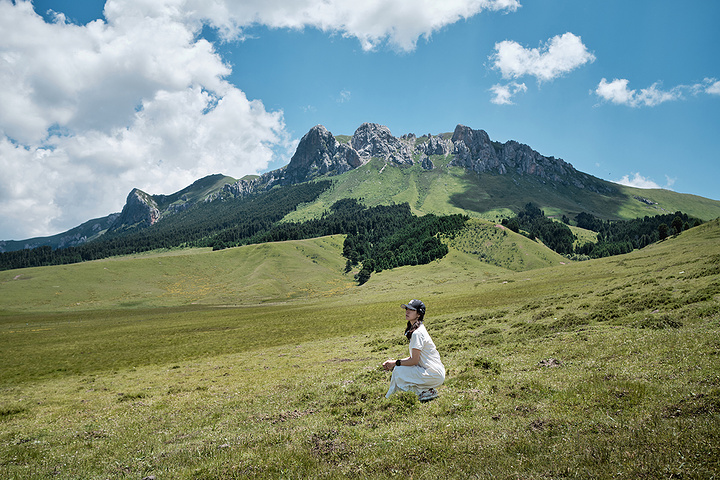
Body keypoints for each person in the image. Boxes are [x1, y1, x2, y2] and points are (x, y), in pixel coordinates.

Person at [382, 299, 445, 402]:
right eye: (407, 309)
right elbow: (414, 359)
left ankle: (396, 397)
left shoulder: (417, 333)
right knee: (400, 369)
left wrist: (395, 363)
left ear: (419, 314)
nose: (407, 312)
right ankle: (424, 392)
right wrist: (395, 362)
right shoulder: (417, 330)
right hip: (433, 372)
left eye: (411, 310)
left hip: (433, 374)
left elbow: (414, 361)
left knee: (398, 370)